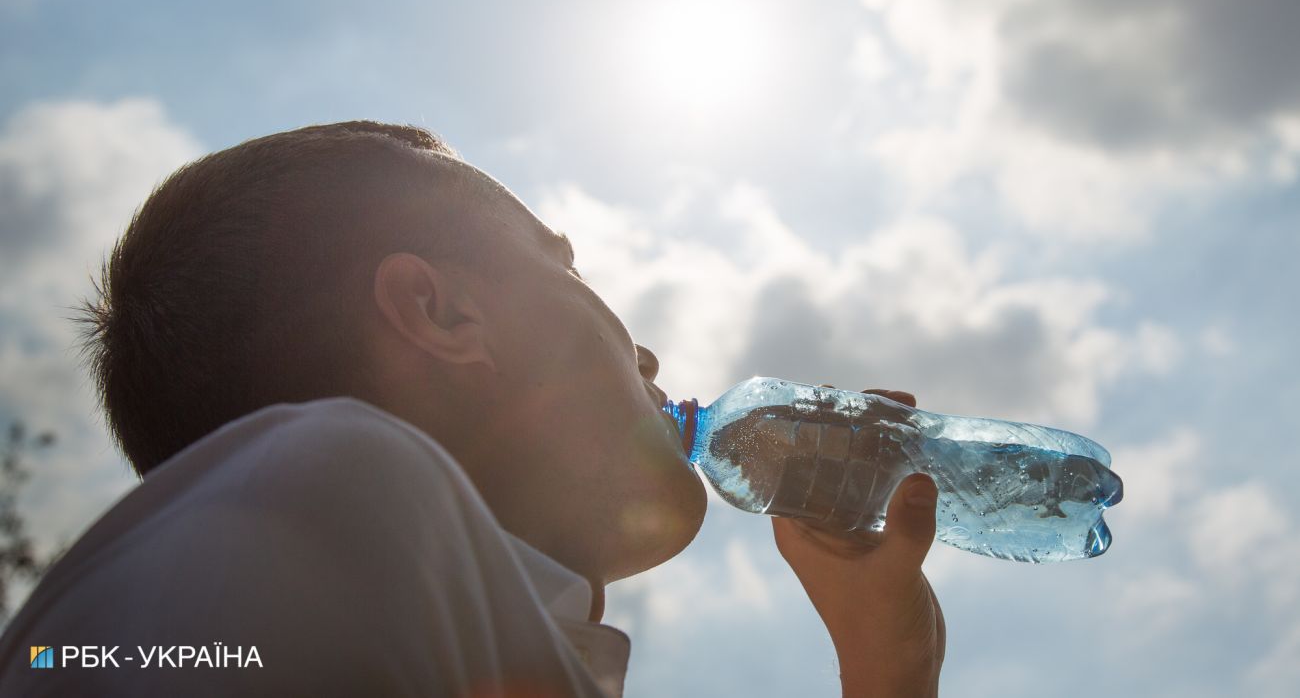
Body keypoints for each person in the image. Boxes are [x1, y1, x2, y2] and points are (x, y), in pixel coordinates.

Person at [0, 122, 944, 696]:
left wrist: (889, 668)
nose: (644, 350)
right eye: (564, 268)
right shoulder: (329, 491)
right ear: (443, 315)